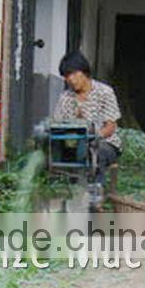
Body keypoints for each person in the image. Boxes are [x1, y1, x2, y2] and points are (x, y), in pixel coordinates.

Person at [53, 51, 122, 187]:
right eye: (66, 76)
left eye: (73, 74)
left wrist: (92, 138)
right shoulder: (65, 97)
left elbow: (110, 127)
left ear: (84, 72)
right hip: (73, 144)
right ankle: (69, 191)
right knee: (55, 154)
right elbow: (57, 124)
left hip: (105, 142)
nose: (71, 79)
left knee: (95, 153)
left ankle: (94, 197)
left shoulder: (104, 92)